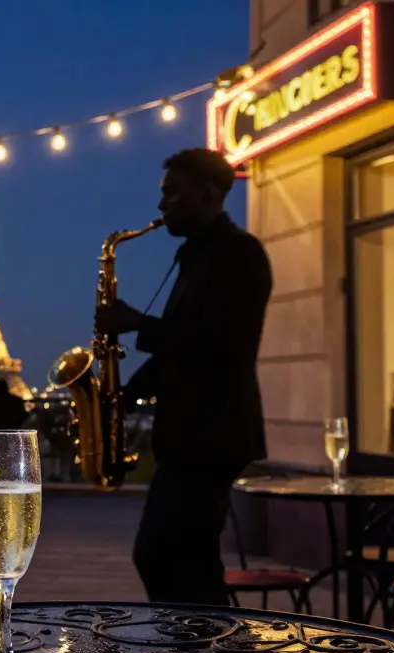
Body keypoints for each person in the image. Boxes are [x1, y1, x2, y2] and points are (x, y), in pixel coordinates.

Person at [95, 148, 271, 606]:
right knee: (181, 557)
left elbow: (221, 343)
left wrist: (137, 323)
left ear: (208, 194)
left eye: (172, 193)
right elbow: (185, 347)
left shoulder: (241, 254)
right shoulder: (196, 256)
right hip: (191, 435)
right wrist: (123, 394)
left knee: (164, 554)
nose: (161, 206)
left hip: (212, 434)